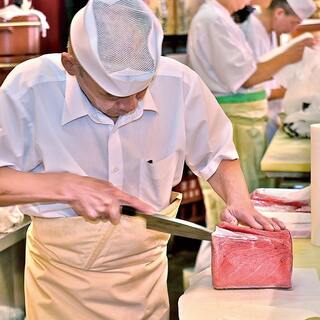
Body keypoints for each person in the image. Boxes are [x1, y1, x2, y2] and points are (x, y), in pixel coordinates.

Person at [0, 0, 284, 319]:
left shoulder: (179, 83)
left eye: (140, 92)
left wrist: (238, 200)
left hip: (146, 282)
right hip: (62, 288)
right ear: (71, 65)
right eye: (113, 95)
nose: (131, 105)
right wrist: (64, 185)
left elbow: (217, 154)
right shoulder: (30, 88)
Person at [187, 0, 314, 192]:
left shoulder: (222, 18)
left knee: (252, 185)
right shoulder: (213, 19)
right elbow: (246, 78)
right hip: (234, 118)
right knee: (240, 191)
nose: (249, 1)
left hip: (246, 119)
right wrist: (289, 56)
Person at [240, 0, 316, 140]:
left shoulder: (272, 31)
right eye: (294, 22)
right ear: (279, 13)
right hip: (251, 118)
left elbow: (273, 71)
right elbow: (246, 81)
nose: (293, 29)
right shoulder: (247, 31)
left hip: (269, 116)